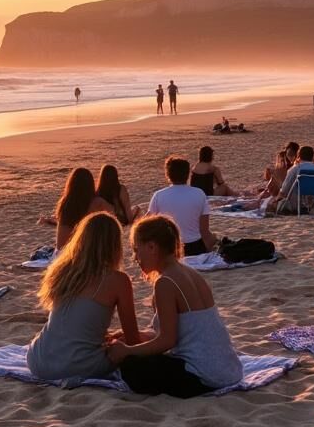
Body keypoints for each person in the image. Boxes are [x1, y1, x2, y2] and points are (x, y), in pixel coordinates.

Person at [105, 216, 243, 397]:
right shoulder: (191, 273)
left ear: (152, 247)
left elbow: (167, 341)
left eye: (137, 250)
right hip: (229, 370)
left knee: (131, 366)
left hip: (203, 376)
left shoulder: (165, 282)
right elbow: (185, 329)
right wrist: (137, 336)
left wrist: (127, 351)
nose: (135, 258)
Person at [26, 213, 141, 381]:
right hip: (77, 365)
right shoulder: (118, 280)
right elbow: (133, 339)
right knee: (126, 344)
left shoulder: (63, 271)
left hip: (38, 359)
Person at [147, 157, 213, 256]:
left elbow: (147, 223)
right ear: (188, 174)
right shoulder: (199, 193)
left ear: (167, 175)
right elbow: (204, 229)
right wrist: (209, 249)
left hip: (169, 248)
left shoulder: (159, 195)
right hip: (194, 247)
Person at [53, 167, 103, 249]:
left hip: (60, 253)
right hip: (79, 253)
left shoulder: (65, 201)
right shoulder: (96, 202)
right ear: (90, 184)